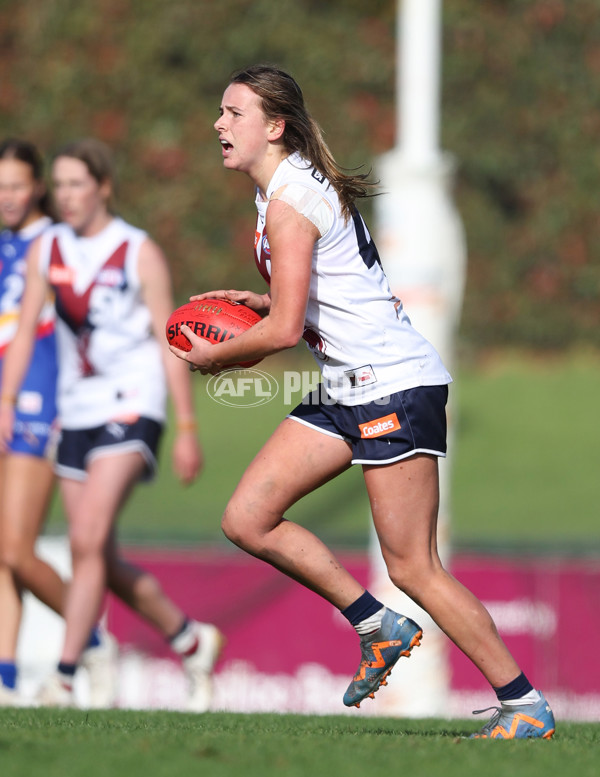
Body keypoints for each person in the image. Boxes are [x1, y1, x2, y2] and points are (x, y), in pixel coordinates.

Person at [170, 65, 555, 739]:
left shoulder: (288, 198)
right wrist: (266, 309)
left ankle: (525, 704)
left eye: (233, 113)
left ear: (274, 127)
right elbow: (308, 305)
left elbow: (284, 332)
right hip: (350, 384)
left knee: (412, 564)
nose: (219, 125)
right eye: (221, 112)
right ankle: (377, 624)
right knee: (248, 516)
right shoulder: (277, 195)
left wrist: (219, 355)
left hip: (392, 385)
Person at [0, 138, 224, 711]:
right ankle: (189, 637)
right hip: (75, 410)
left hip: (132, 404)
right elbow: (25, 332)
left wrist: (188, 427)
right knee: (97, 556)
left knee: (87, 538)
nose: (68, 196)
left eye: (79, 184)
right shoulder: (46, 247)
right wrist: (6, 397)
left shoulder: (137, 250)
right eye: (62, 185)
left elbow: (171, 342)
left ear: (103, 187)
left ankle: (66, 675)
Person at [0, 138, 116, 708]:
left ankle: (90, 639)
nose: (7, 197)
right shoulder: (5, 243)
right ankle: (5, 678)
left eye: (17, 186)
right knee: (0, 550)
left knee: (17, 548)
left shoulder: (58, 243)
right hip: (4, 395)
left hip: (40, 403)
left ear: (38, 187)